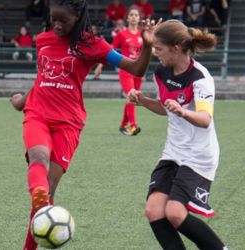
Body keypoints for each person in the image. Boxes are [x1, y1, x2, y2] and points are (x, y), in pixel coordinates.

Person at [9, 1, 158, 249]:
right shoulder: (43, 39)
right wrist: (21, 102)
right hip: (38, 112)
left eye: (63, 20)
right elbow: (42, 77)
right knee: (39, 160)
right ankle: (38, 200)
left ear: (78, 16)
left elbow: (136, 69)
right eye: (53, 18)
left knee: (49, 191)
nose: (56, 25)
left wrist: (148, 46)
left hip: (68, 122)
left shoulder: (92, 45)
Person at [127, 19, 228, 249]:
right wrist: (142, 101)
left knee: (174, 213)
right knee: (154, 210)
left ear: (175, 49)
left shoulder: (200, 78)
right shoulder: (161, 72)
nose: (155, 53)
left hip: (199, 155)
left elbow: (205, 120)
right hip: (173, 151)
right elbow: (165, 108)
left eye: (159, 49)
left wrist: (182, 111)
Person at [94, 6, 144, 136]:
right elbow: (110, 50)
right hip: (126, 70)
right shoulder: (122, 34)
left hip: (138, 72)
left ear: (139, 18)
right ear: (127, 18)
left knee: (133, 98)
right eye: (131, 15)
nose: (133, 17)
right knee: (132, 96)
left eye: (136, 15)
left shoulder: (142, 34)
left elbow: (147, 52)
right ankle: (133, 126)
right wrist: (100, 67)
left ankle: (123, 125)